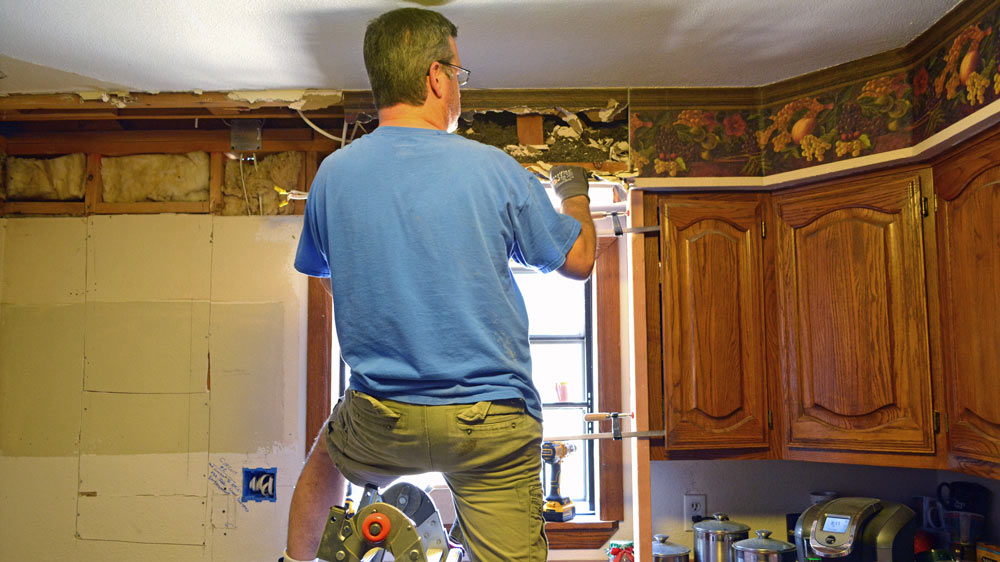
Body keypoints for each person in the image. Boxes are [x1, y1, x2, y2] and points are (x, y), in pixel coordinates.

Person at [282, 7, 596, 562]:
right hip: (490, 421)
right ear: (435, 77)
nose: (459, 87)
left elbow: (333, 277)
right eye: (459, 74)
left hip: (384, 416)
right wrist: (574, 195)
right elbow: (578, 260)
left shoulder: (332, 174)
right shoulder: (493, 168)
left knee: (327, 456)